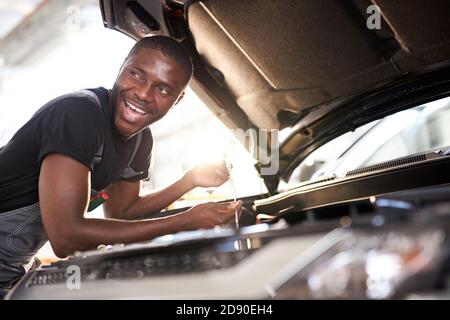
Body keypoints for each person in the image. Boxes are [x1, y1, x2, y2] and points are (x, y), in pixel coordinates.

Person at [0, 35, 241, 290]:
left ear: (177, 100)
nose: (143, 94)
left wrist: (189, 181)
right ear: (121, 68)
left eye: (163, 89)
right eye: (137, 75)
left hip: (12, 267)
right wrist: (184, 220)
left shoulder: (140, 142)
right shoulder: (79, 114)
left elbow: (123, 212)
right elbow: (65, 237)